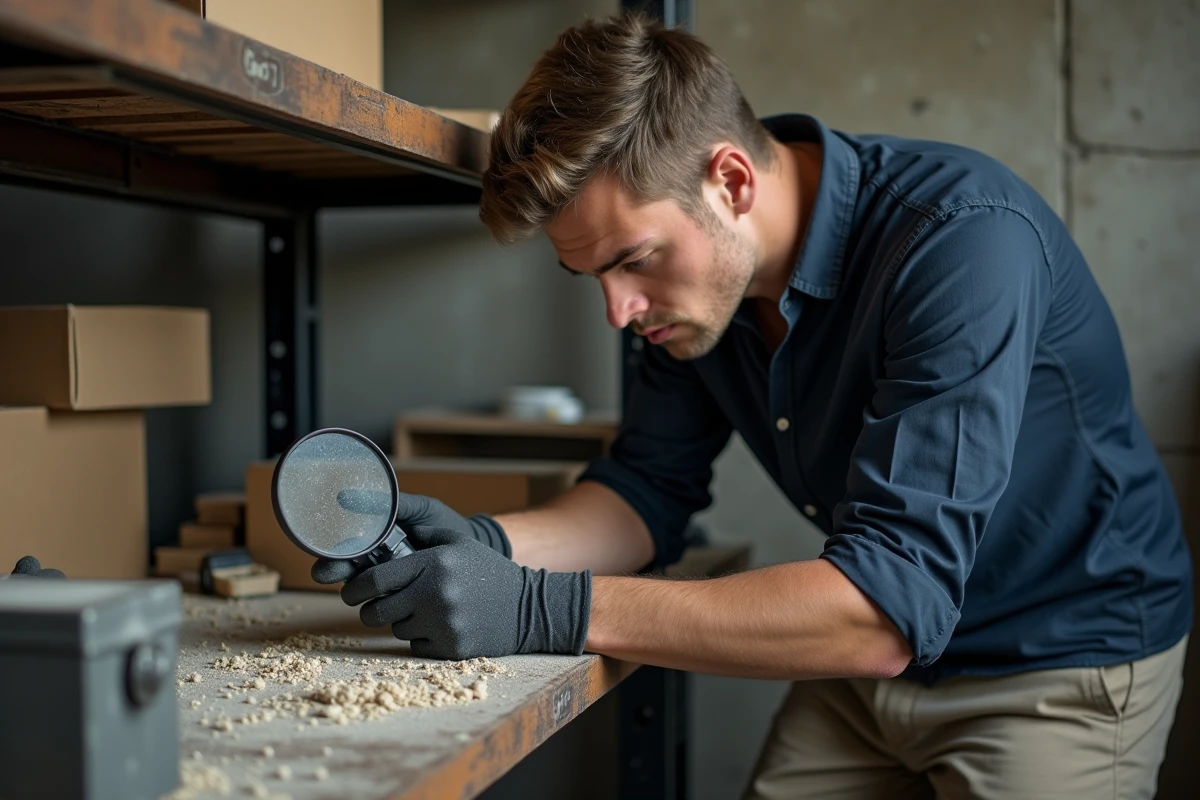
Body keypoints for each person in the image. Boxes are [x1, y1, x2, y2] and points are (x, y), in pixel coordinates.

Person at [313, 12, 1192, 799]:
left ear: (730, 180)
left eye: (634, 259)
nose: (618, 310)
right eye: (590, 277)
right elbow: (647, 489)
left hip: (1057, 663)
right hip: (868, 673)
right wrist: (490, 546)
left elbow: (887, 608)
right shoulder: (693, 302)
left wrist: (537, 607)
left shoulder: (961, 243)